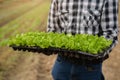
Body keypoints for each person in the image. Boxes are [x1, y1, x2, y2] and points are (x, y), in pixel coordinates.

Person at [47, 0, 119, 80]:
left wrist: (97, 52)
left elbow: (110, 34)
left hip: (89, 68)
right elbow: (52, 30)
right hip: (62, 65)